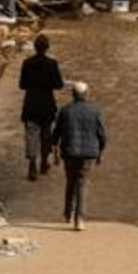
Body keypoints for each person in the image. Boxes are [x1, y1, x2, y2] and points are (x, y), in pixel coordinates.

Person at [52, 81, 106, 230]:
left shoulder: (65, 111)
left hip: (69, 152)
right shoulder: (94, 111)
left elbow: (56, 134)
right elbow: (102, 135)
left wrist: (55, 152)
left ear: (73, 95)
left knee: (70, 181)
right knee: (82, 184)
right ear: (87, 94)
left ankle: (68, 213)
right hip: (89, 154)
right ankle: (79, 219)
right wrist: (100, 152)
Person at [18, 34, 65, 181]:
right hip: (47, 104)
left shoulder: (27, 63)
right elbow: (59, 84)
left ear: (35, 46)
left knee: (32, 134)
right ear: (47, 48)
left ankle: (32, 163)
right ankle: (44, 162)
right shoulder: (52, 64)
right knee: (46, 135)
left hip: (31, 104)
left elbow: (22, 85)